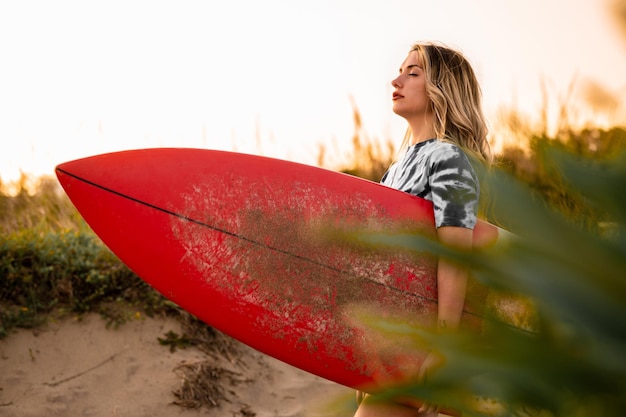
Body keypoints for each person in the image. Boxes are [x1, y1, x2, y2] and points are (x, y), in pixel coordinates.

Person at [353, 42, 492, 417]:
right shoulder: (395, 170)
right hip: (399, 344)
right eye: (401, 70)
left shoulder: (448, 158)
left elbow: (455, 254)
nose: (396, 80)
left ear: (441, 90)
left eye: (413, 73)